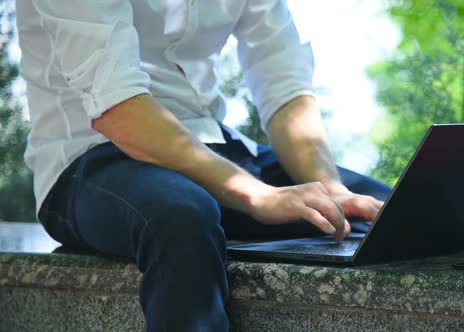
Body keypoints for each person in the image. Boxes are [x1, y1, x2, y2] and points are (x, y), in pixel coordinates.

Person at [16, 0, 391, 330]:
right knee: (181, 215)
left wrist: (331, 188)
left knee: (392, 213)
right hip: (92, 156)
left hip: (213, 144)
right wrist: (257, 196)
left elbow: (283, 83)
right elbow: (118, 109)